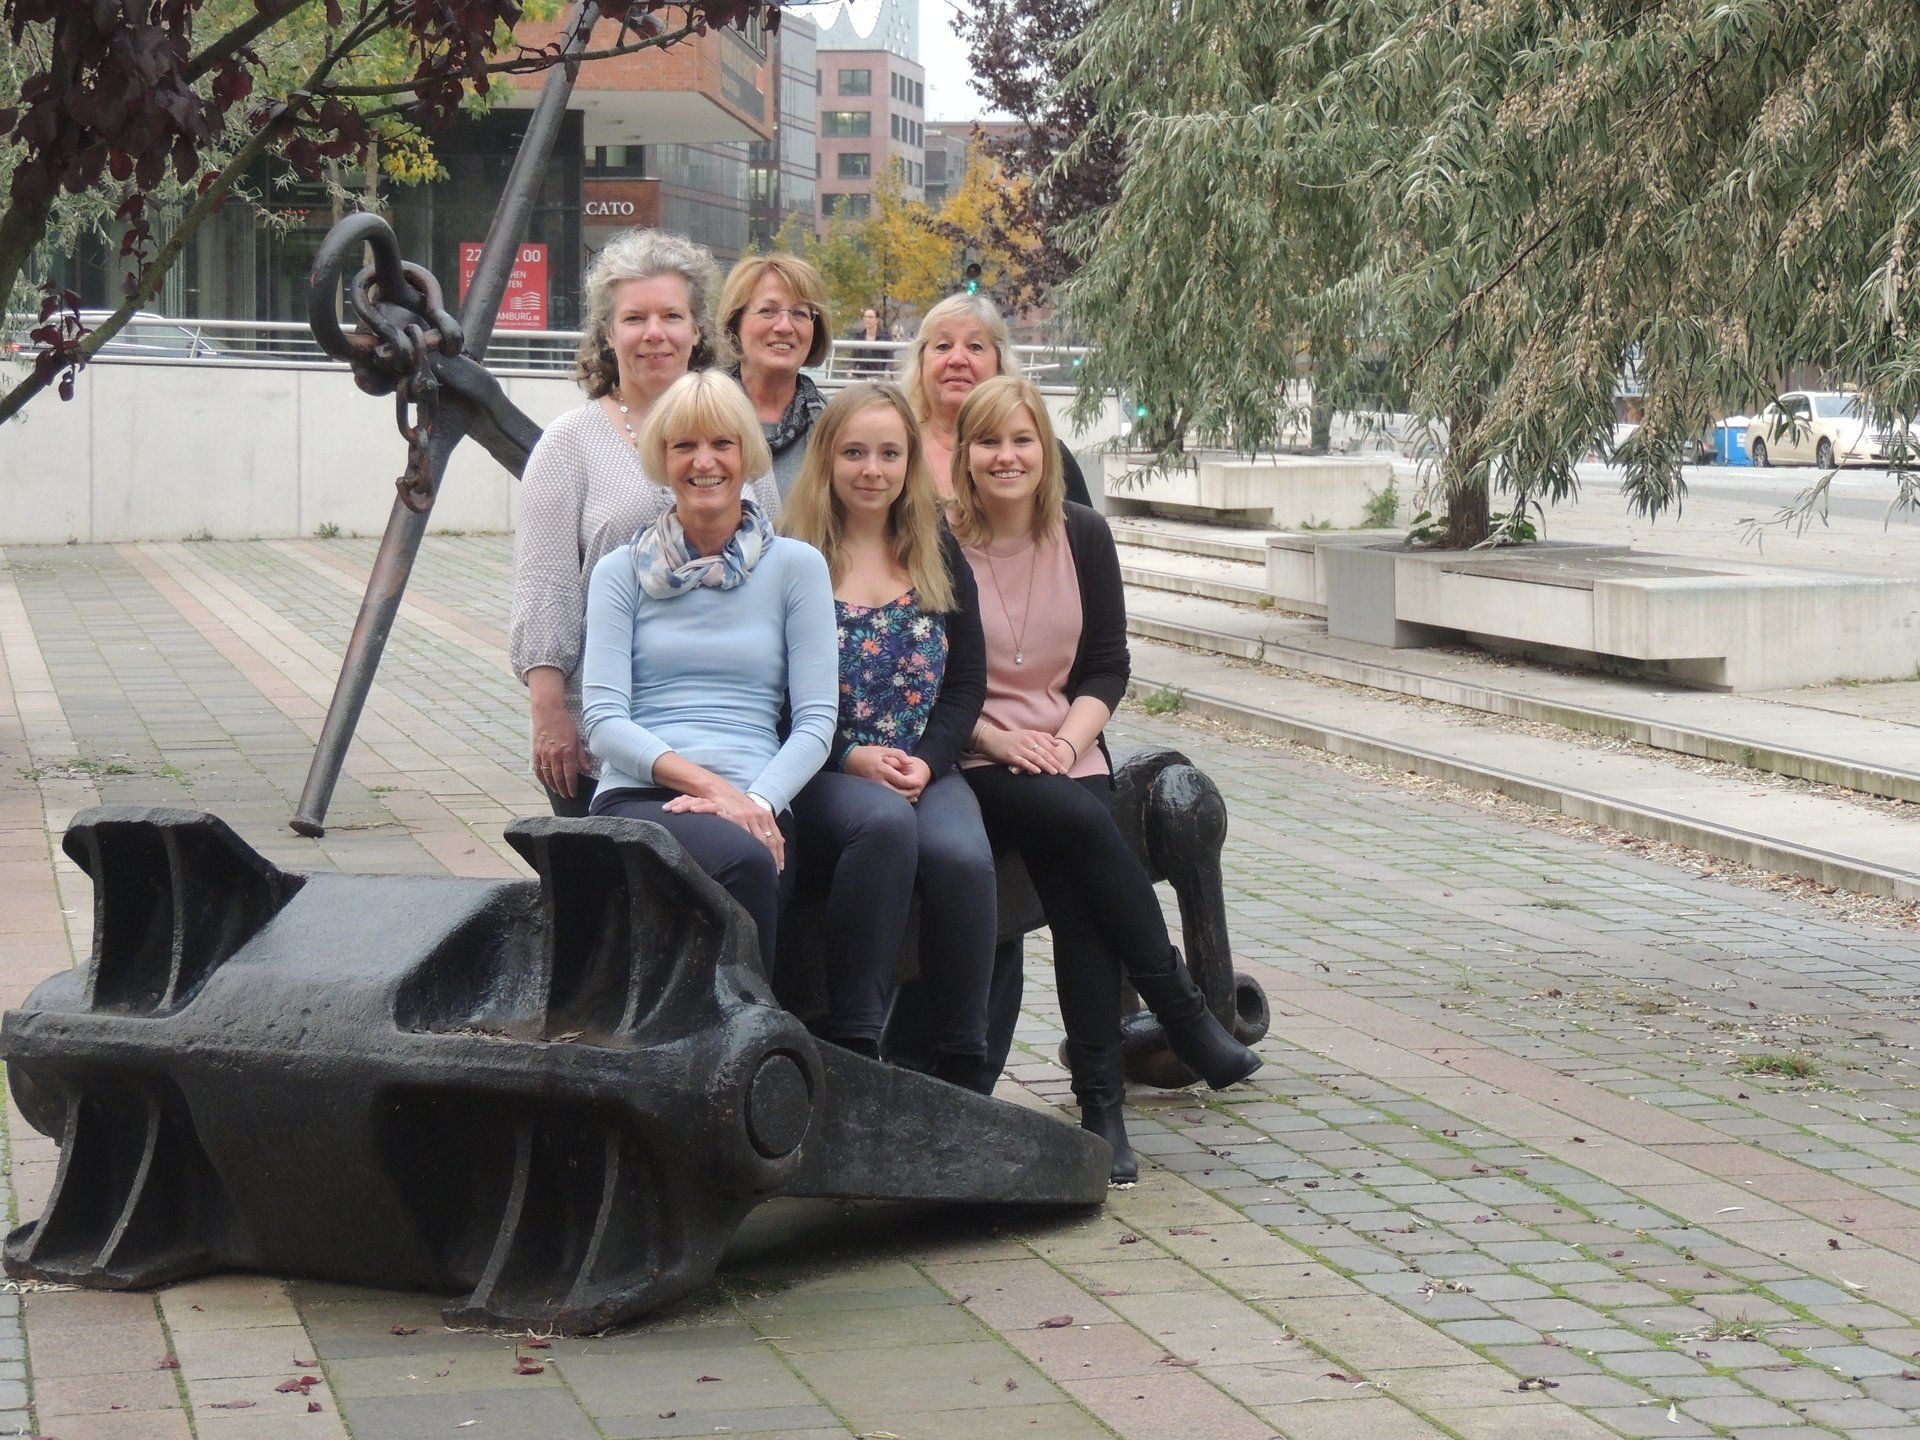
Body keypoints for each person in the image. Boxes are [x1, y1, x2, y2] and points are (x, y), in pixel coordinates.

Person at [950, 376, 1261, 1185]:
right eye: (989, 442)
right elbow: (935, 680)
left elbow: (1107, 665)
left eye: (1022, 440)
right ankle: (1181, 1014)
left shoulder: (1082, 534)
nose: (1007, 456)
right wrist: (1003, 740)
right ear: (965, 455)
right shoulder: (939, 542)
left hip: (1067, 751)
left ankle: (1103, 1110)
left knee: (1081, 898)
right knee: (1088, 826)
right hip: (975, 756)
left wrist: (1064, 742)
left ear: (1045, 450)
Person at [511, 229, 781, 817]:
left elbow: (771, 572)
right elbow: (546, 589)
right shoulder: (568, 446)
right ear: (608, 334)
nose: (654, 333)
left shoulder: (739, 439)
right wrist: (549, 713)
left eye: (671, 316)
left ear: (697, 330)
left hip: (730, 732)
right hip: (606, 735)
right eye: (634, 318)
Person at [580, 370, 836, 974]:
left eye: (722, 443)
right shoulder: (619, 571)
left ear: (746, 455)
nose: (704, 462)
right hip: (641, 794)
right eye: (684, 446)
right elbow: (603, 720)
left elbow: (817, 722)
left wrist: (756, 800)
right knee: (743, 859)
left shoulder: (797, 567)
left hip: (756, 798)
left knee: (750, 853)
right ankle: (746, 1019)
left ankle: (745, 1021)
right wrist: (711, 790)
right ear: (661, 458)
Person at [778, 383, 997, 1090]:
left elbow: (966, 682)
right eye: (854, 453)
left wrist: (928, 764)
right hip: (822, 769)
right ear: (827, 459)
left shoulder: (935, 548)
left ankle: (962, 1060)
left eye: (889, 454)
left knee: (962, 859)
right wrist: (848, 756)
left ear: (910, 463)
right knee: (883, 828)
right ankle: (856, 1043)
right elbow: (767, 694)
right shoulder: (791, 557)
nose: (872, 470)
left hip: (924, 765)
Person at [899, 293, 1092, 508]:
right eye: (943, 346)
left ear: (999, 363)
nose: (957, 359)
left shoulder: (1046, 456)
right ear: (921, 362)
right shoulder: (893, 451)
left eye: (975, 346)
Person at [719, 254, 831, 504]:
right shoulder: (700, 413)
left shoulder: (833, 426)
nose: (784, 326)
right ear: (735, 323)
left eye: (799, 313)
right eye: (768, 311)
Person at [849, 306, 890, 378]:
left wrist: (887, 371)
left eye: (870, 317)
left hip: (879, 377)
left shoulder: (885, 337)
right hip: (862, 376)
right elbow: (853, 356)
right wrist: (851, 369)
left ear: (877, 320)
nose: (867, 319)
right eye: (865, 317)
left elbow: (889, 357)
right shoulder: (858, 336)